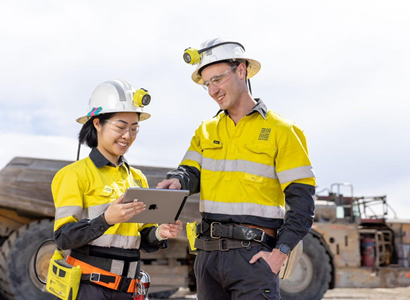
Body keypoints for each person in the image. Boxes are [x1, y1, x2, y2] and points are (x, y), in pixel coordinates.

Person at [157, 38, 316, 299]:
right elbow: (189, 172)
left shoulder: (283, 131)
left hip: (254, 258)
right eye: (207, 84)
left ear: (241, 71)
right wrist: (177, 181)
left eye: (217, 80)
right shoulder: (206, 130)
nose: (212, 90)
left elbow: (302, 203)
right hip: (207, 258)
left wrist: (280, 253)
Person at [52, 79, 183, 300]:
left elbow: (144, 240)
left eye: (134, 129)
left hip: (128, 290)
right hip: (89, 290)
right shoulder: (73, 175)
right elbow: (64, 238)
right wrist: (106, 219)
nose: (127, 136)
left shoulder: (137, 178)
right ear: (97, 124)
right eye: (121, 127)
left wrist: (160, 233)